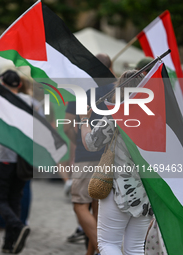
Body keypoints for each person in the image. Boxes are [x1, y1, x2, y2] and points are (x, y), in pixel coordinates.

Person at [79, 70, 153, 255]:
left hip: (118, 188)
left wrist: (84, 121)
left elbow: (91, 143)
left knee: (107, 244)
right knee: (135, 247)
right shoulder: (156, 118)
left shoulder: (117, 114)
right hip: (147, 191)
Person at [64, 53, 115, 255]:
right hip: (109, 157)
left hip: (86, 156)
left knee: (79, 205)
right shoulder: (116, 90)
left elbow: (67, 126)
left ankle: (103, 250)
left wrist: (79, 141)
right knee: (98, 211)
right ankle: (90, 252)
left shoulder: (80, 91)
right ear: (110, 68)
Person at [0, 69, 32, 254]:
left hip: (4, 156)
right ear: (20, 84)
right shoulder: (31, 102)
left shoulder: (1, 103)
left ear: (3, 85)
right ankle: (9, 244)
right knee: (15, 198)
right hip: (23, 158)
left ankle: (16, 225)